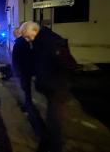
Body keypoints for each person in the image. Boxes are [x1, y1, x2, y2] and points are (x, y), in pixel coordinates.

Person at [20, 21, 78, 152]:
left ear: (34, 30)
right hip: (51, 89)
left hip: (57, 89)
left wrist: (59, 82)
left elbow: (68, 63)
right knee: (52, 120)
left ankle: (53, 147)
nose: (26, 39)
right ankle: (49, 144)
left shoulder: (50, 41)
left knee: (55, 122)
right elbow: (42, 63)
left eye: (26, 36)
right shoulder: (40, 42)